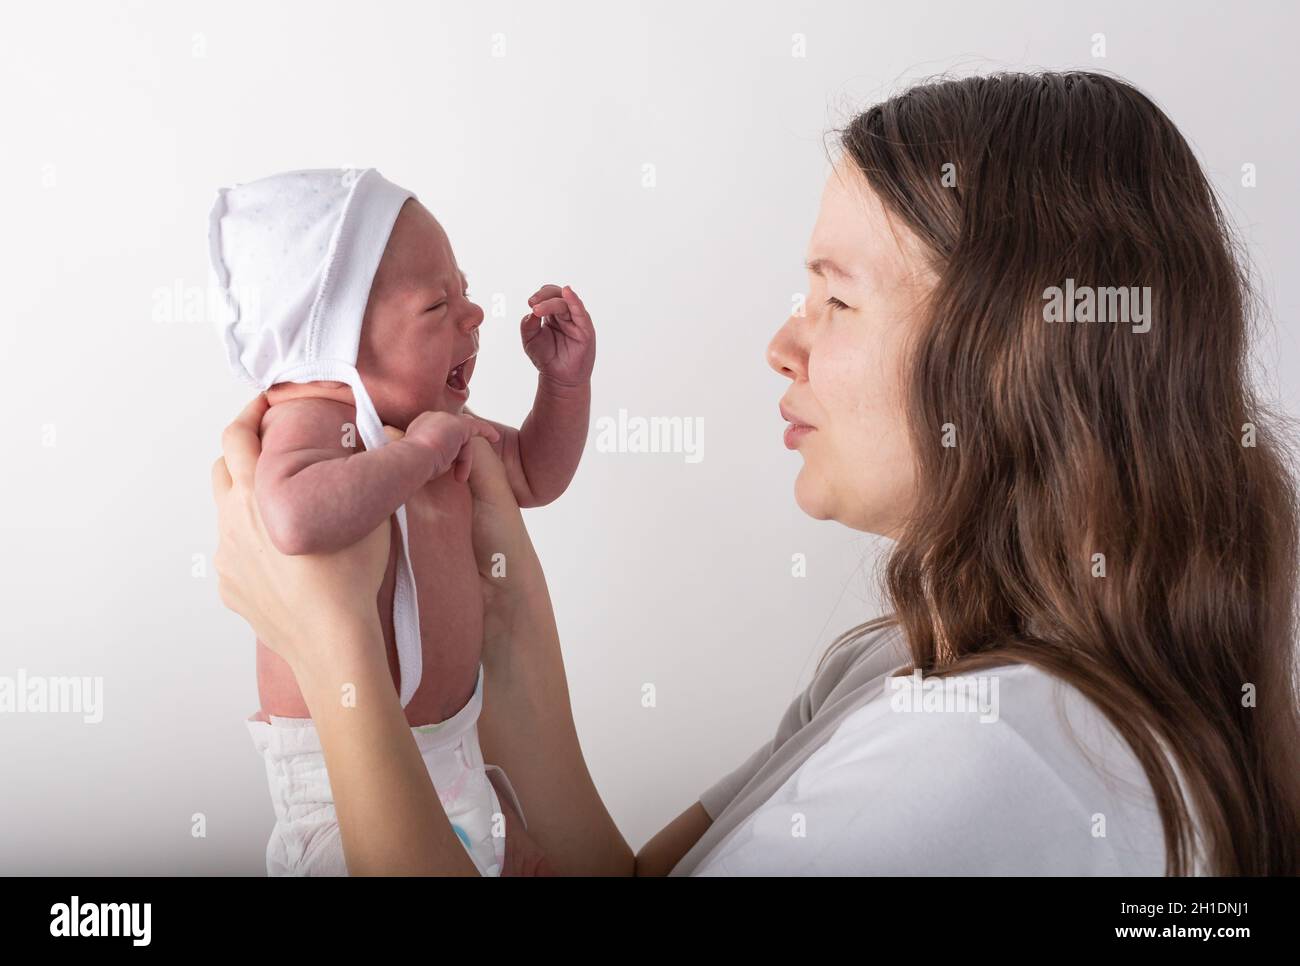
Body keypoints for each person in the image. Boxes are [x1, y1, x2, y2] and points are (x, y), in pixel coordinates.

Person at [211, 71, 1300, 875]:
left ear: (1012, 354)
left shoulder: (995, 759)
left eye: (835, 299)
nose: (782, 345)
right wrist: (505, 618)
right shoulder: (895, 668)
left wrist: (335, 648)